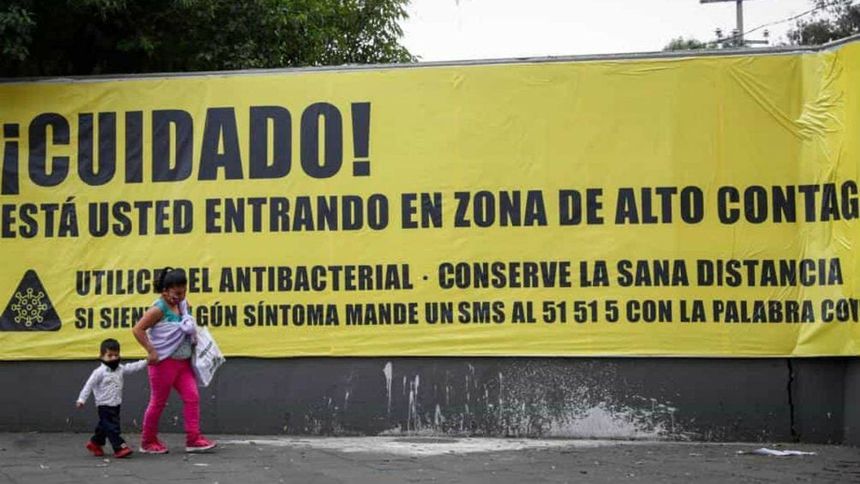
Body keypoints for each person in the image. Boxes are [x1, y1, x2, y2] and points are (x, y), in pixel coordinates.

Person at [132, 267, 216, 454]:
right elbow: (137, 329)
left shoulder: (183, 305)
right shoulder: (158, 309)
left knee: (192, 397)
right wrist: (151, 351)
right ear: (165, 291)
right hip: (164, 363)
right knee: (158, 402)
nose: (181, 296)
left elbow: (187, 326)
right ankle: (147, 441)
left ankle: (193, 439)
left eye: (184, 291)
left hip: (183, 363)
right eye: (177, 293)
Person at [76, 338, 147, 458]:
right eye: (109, 355)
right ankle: (120, 447)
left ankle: (95, 443)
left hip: (116, 404)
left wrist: (146, 362)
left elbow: (132, 367)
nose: (113, 358)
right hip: (104, 405)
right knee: (112, 427)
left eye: (116, 355)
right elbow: (89, 385)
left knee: (104, 426)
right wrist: (81, 399)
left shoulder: (120, 368)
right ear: (102, 356)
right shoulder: (99, 372)